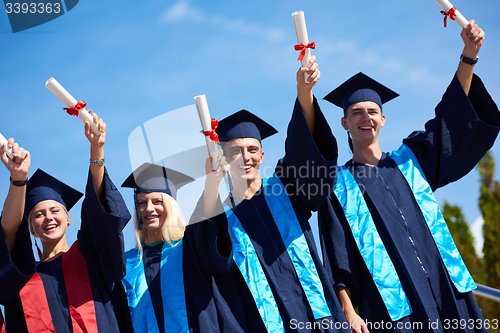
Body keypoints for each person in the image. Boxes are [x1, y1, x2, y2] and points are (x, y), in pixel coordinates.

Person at [319, 20, 499, 332]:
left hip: (448, 288)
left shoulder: (410, 159)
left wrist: (468, 56)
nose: (366, 118)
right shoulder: (338, 187)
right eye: (357, 113)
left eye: (372, 112)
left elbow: (450, 117)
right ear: (344, 123)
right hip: (394, 309)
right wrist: (348, 312)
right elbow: (339, 260)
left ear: (383, 120)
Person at [184, 57, 351, 332]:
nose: (245, 157)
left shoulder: (285, 187)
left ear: (262, 155)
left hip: (322, 321)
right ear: (223, 158)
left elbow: (305, 152)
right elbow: (209, 260)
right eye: (235, 151)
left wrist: (304, 93)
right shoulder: (217, 214)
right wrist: (211, 185)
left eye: (252, 149)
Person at [0, 113, 133, 333]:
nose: (48, 217)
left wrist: (96, 149)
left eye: (55, 210)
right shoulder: (22, 278)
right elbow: (8, 232)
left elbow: (99, 216)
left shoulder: (90, 257)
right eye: (38, 214)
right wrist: (18, 179)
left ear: (69, 219)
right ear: (30, 228)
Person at [120, 162, 197, 333]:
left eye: (157, 201)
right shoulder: (128, 262)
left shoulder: (188, 251)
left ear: (171, 206)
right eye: (141, 203)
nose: (149, 209)